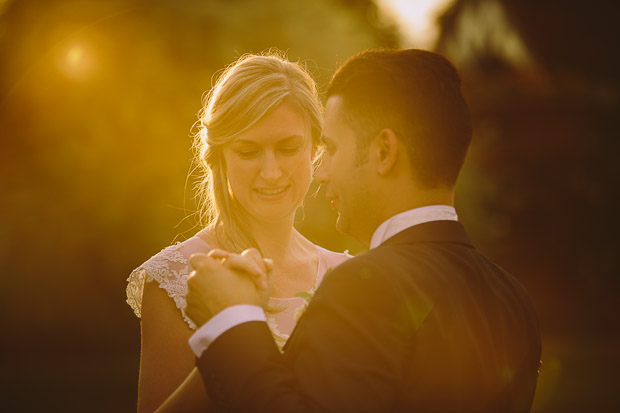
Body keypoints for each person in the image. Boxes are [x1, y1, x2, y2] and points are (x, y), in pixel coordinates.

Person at [185, 49, 542, 413]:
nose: (321, 173)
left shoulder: (363, 287)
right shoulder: (513, 301)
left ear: (384, 152)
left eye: (332, 148)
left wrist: (233, 322)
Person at [125, 52, 350, 412]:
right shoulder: (175, 277)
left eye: (289, 148)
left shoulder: (347, 275)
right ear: (219, 157)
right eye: (248, 151)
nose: (272, 172)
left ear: (314, 149)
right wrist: (226, 339)